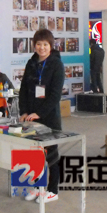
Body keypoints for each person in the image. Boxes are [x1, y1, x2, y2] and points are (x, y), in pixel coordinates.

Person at [19, 29, 65, 203]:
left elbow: (55, 95)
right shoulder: (31, 63)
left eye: (45, 44)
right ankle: (37, 187)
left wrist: (40, 113)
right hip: (30, 116)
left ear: (51, 46)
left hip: (49, 116)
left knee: (51, 154)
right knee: (33, 153)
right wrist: (24, 111)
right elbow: (23, 90)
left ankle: (52, 190)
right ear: (34, 45)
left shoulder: (56, 64)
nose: (42, 47)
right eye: (39, 44)